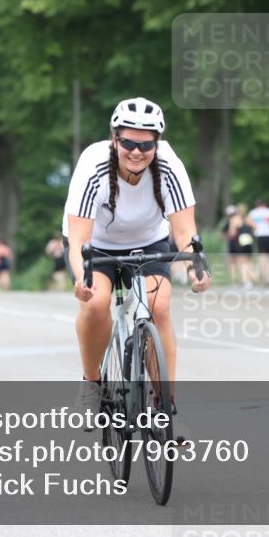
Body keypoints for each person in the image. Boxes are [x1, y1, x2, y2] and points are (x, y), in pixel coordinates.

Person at [62, 97, 210, 421]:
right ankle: (91, 384)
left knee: (159, 306)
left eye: (146, 145)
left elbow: (185, 233)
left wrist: (196, 268)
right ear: (114, 139)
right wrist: (81, 279)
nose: (137, 152)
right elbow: (78, 241)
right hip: (95, 246)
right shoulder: (94, 166)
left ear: (157, 144)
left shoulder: (168, 165)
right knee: (97, 302)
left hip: (148, 243)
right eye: (128, 142)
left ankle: (163, 402)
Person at [247, 199, 269, 285]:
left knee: (262, 256)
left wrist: (256, 226)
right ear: (265, 204)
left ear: (257, 204)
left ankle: (263, 275)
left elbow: (248, 221)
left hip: (259, 235)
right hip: (268, 235)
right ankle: (267, 277)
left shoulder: (254, 212)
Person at [228, 204, 256, 288]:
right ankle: (251, 279)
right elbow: (255, 228)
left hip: (240, 242)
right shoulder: (249, 219)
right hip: (249, 241)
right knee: (249, 261)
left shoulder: (234, 219)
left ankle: (246, 281)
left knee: (242, 262)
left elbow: (231, 233)